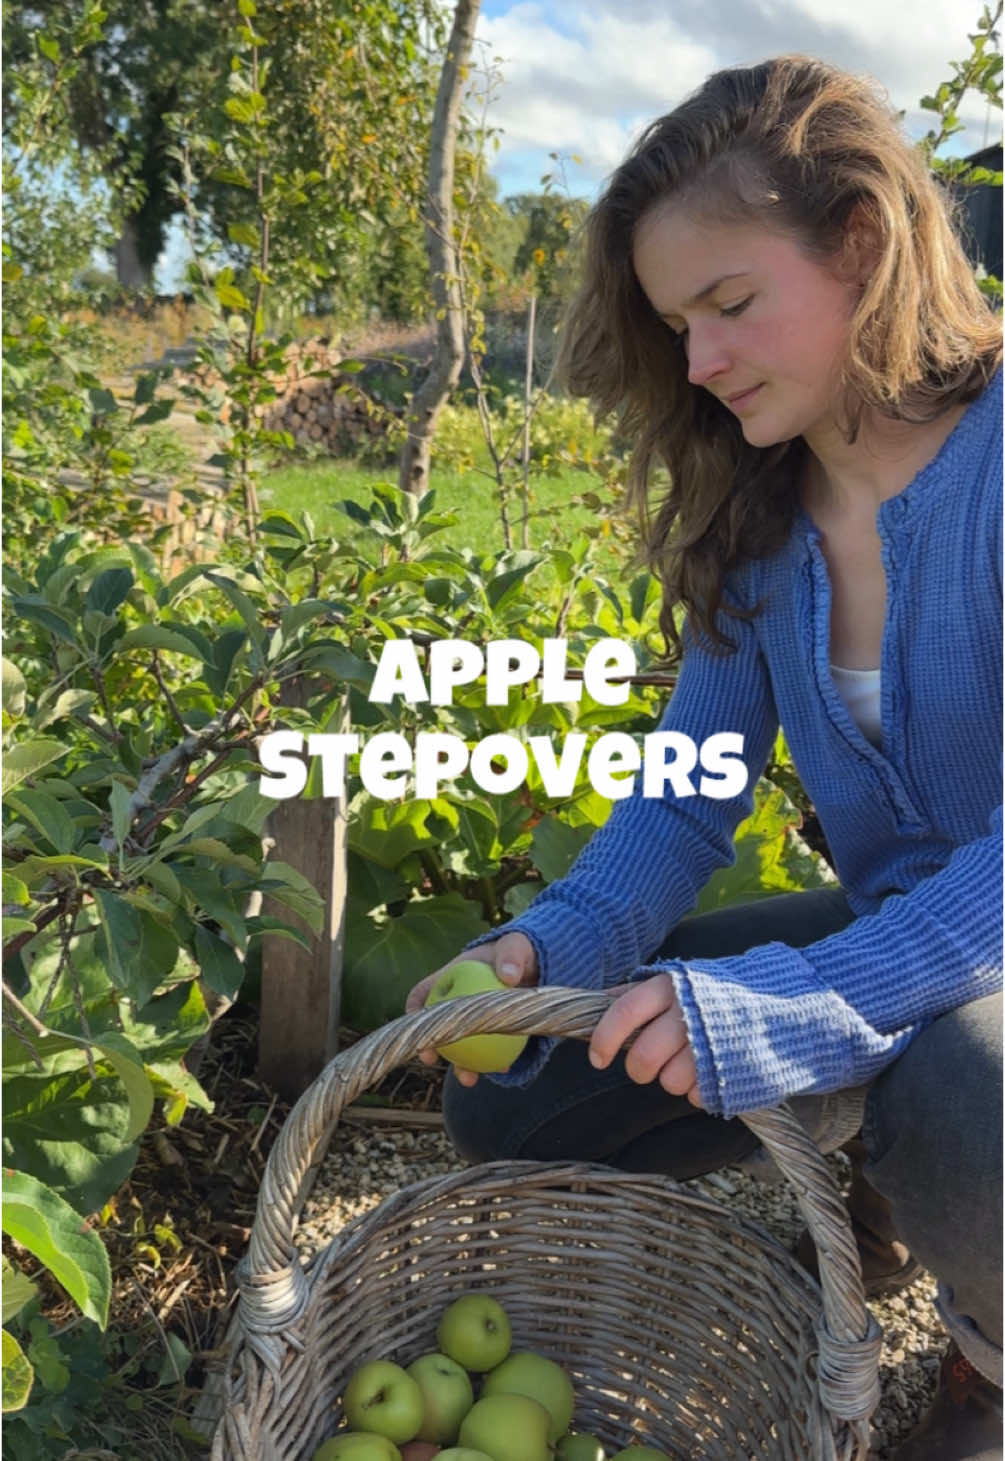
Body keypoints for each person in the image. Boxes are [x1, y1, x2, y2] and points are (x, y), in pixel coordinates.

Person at [405, 54, 1003, 1460]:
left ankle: (990, 1352)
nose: (699, 362)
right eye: (677, 324)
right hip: (887, 936)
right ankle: (892, 1186)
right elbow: (683, 799)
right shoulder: (764, 517)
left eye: (729, 305)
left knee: (965, 1092)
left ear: (858, 244)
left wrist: (807, 997)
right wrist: (546, 950)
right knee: (527, 1085)